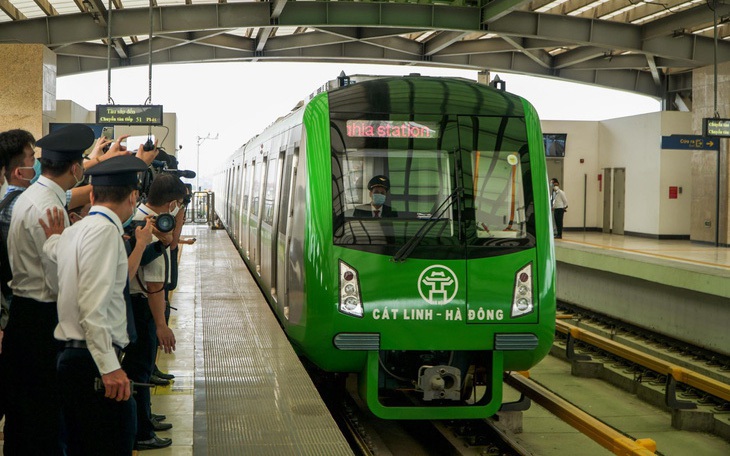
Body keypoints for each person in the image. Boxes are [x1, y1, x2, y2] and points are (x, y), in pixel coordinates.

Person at [44, 155, 149, 455]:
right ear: (132, 197)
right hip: (92, 364)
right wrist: (110, 367)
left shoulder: (76, 231)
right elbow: (92, 306)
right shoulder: (105, 234)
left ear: (91, 195)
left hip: (74, 360)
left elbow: (57, 253)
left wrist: (52, 240)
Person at [124, 173, 187, 450]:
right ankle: (142, 432)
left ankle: (146, 418)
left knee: (144, 369)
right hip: (143, 309)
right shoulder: (147, 228)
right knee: (139, 373)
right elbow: (153, 285)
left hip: (141, 307)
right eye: (179, 205)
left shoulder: (150, 222)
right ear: (172, 202)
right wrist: (161, 325)